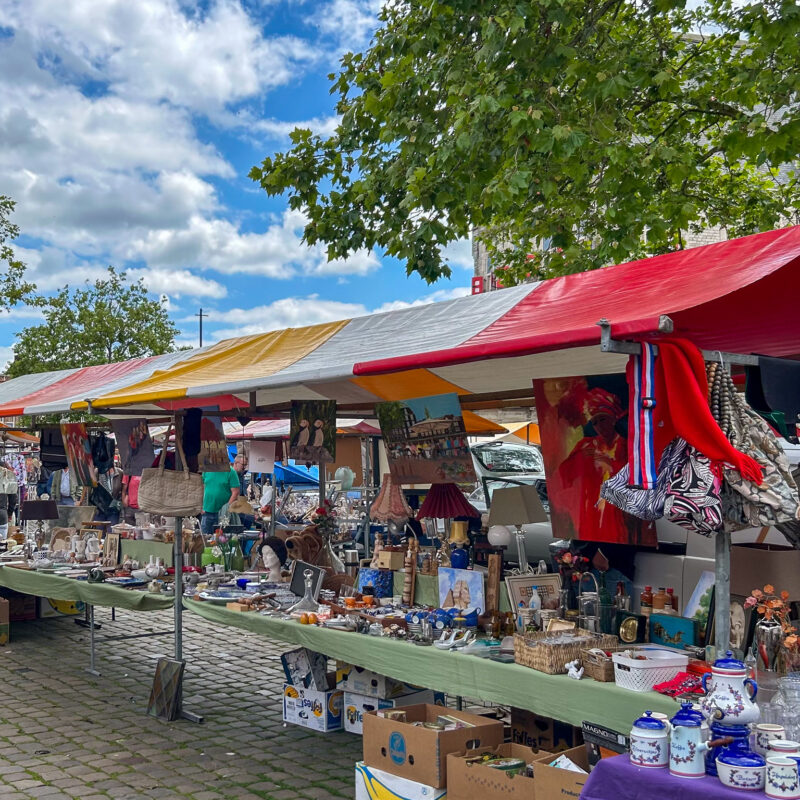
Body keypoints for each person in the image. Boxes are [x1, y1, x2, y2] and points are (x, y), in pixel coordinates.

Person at [201, 466, 240, 535]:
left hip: (223, 514)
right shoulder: (206, 470)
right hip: (206, 511)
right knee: (205, 539)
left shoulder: (231, 472)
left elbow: (235, 492)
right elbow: (202, 487)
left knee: (222, 540)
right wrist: (201, 505)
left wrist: (227, 508)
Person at [232, 454, 255, 528]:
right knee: (252, 520)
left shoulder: (241, 475)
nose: (244, 467)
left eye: (246, 465)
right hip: (234, 510)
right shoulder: (231, 475)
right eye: (243, 465)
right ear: (236, 463)